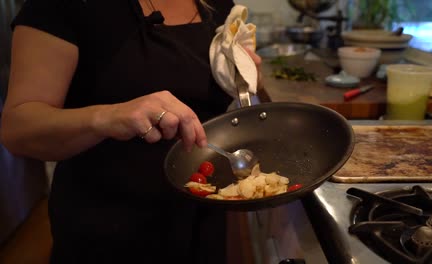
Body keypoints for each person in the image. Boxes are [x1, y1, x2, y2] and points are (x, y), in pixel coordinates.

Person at [1, 0, 262, 263]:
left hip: (201, 217)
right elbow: (18, 128)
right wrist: (109, 116)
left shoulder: (216, 4)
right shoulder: (64, 6)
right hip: (108, 228)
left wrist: (241, 73)